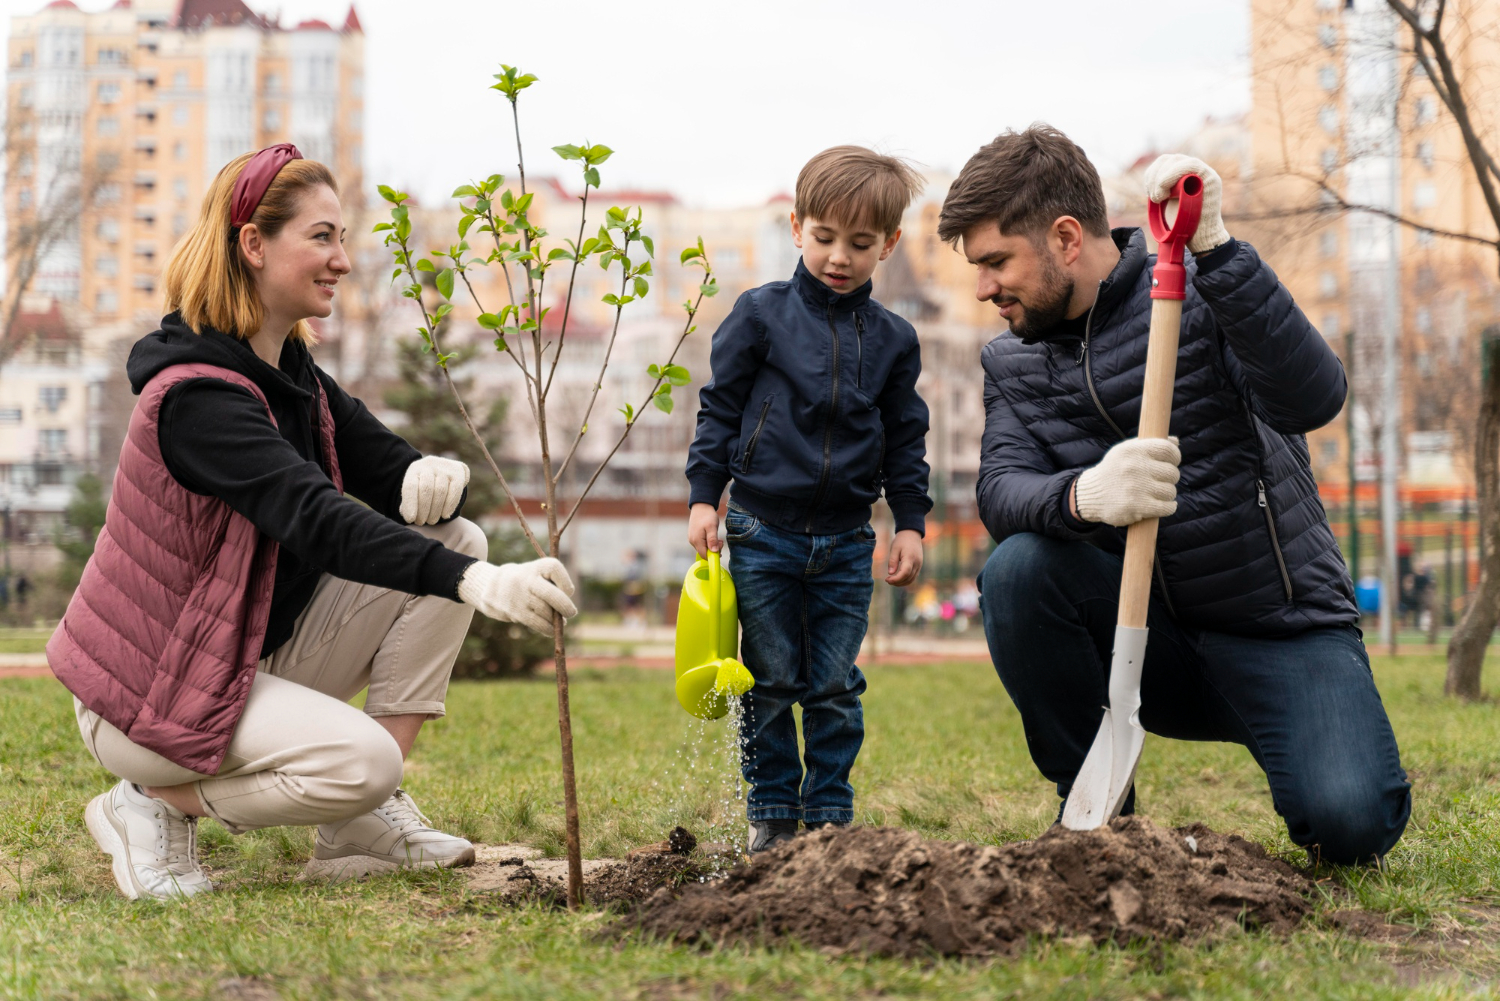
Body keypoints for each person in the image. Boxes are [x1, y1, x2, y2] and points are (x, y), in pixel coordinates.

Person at [47, 144, 580, 901]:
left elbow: (388, 474)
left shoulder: (293, 373)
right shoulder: (196, 398)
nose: (343, 260)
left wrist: (432, 477)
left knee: (456, 538)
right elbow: (317, 519)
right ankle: (149, 805)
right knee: (363, 758)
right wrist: (476, 584)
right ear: (254, 245)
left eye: (342, 237)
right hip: (147, 695)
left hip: (232, 656)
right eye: (322, 237)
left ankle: (357, 824)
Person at [942, 126, 1410, 865]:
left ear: (1066, 238)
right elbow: (1001, 492)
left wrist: (1220, 252)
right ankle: (1099, 814)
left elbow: (1313, 397)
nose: (982, 287)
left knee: (1349, 823)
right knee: (1018, 570)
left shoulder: (1202, 297)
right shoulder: (1012, 362)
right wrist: (1086, 496)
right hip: (1143, 642)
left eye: (996, 261)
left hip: (1277, 628)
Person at [686, 146, 933, 853]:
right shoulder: (759, 316)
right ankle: (772, 816)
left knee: (831, 684)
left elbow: (905, 437)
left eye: (860, 244)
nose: (839, 257)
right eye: (825, 237)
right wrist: (706, 496)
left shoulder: (893, 340)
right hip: (762, 530)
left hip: (849, 541)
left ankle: (828, 818)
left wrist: (910, 522)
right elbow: (719, 409)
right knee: (770, 682)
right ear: (797, 227)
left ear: (886, 244)